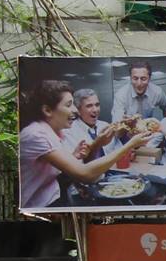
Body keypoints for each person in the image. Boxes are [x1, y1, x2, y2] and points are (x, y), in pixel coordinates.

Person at [18, 80, 145, 208]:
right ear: (47, 110)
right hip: (40, 207)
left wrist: (75, 156)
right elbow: (85, 174)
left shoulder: (52, 132)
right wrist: (129, 145)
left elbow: (60, 171)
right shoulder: (37, 135)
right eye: (69, 105)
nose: (75, 110)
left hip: (56, 198)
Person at [65, 88, 113, 160]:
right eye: (89, 106)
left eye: (97, 105)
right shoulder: (69, 131)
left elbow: (116, 151)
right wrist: (96, 144)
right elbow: (74, 163)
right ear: (78, 110)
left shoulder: (105, 126)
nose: (95, 110)